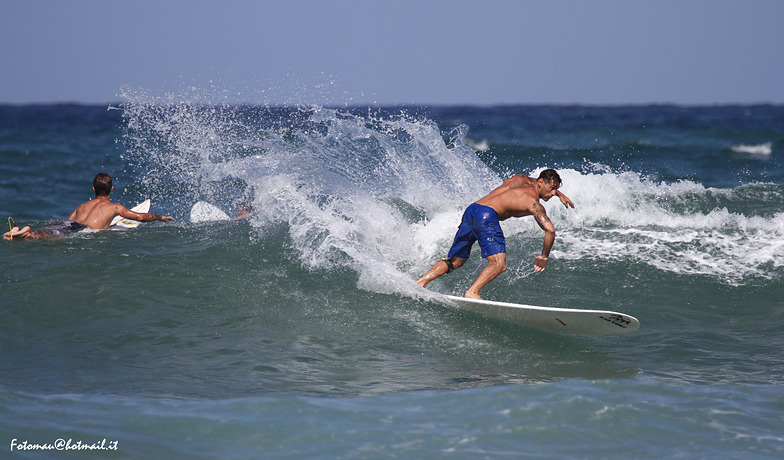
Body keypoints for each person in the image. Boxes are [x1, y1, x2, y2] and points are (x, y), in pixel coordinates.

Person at [416, 169, 574, 299]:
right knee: (499, 264)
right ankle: (472, 292)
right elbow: (550, 230)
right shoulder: (534, 204)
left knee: (456, 262)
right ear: (541, 183)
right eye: (552, 189)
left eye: (556, 190)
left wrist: (560, 194)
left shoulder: (520, 178)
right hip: (487, 215)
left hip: (472, 210)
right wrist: (544, 255)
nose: (553, 193)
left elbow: (536, 180)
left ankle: (421, 282)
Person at [4, 173, 174, 240]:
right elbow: (141, 217)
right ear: (112, 189)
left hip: (70, 224)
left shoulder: (82, 206)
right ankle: (28, 234)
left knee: (56, 231)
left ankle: (26, 232)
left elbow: (66, 222)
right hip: (82, 229)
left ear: (93, 189)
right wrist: (160, 217)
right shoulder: (114, 208)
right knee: (56, 236)